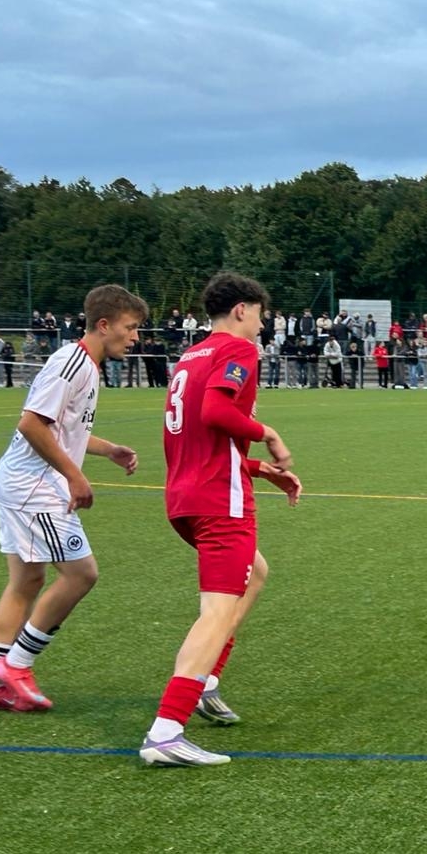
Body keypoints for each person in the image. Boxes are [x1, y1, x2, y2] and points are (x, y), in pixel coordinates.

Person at [139, 272, 302, 767]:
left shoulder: (191, 356)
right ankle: (166, 731)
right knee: (216, 610)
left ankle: (206, 680)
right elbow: (215, 412)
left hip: (185, 494)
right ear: (241, 310)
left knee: (256, 574)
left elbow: (198, 438)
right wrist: (267, 433)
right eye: (260, 315)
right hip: (218, 501)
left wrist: (259, 469)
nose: (261, 326)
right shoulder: (237, 350)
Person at [0, 286, 148, 712]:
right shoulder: (72, 363)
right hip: (34, 487)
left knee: (26, 582)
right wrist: (74, 475)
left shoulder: (86, 365)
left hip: (20, 481)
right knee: (81, 574)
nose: (135, 337)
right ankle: (15, 666)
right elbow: (31, 424)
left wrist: (108, 449)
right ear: (104, 325)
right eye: (130, 328)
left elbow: (62, 429)